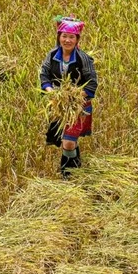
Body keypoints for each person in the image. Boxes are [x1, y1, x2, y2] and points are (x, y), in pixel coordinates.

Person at [40, 15, 98, 178]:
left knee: (68, 141)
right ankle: (76, 163)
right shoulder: (52, 56)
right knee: (67, 142)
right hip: (59, 106)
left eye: (71, 37)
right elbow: (44, 74)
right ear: (59, 37)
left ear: (77, 39)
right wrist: (51, 91)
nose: (67, 40)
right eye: (64, 36)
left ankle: (68, 174)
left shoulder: (83, 59)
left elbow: (92, 82)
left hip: (77, 107)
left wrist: (76, 95)